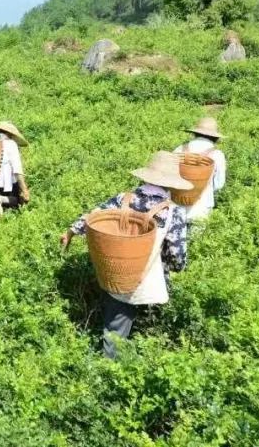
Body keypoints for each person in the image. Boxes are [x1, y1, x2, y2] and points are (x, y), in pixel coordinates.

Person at [59, 151, 190, 359]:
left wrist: (70, 232)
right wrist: (176, 267)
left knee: (116, 322)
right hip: (149, 278)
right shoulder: (174, 212)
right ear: (172, 184)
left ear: (145, 176)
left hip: (117, 272)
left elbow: (93, 218)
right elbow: (176, 253)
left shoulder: (124, 199)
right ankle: (114, 368)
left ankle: (115, 357)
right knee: (144, 323)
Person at [173, 116, 226, 222]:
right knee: (198, 238)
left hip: (177, 204)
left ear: (195, 133)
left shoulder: (180, 149)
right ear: (215, 137)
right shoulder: (217, 155)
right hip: (202, 206)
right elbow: (219, 185)